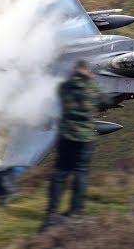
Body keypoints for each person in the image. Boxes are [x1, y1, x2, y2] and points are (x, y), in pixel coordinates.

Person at [39, 59, 104, 233]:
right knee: (81, 174)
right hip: (85, 138)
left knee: (60, 174)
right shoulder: (92, 87)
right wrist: (92, 80)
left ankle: (52, 213)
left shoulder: (65, 87)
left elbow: (60, 96)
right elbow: (103, 101)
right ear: (87, 71)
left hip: (66, 136)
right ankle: (75, 212)